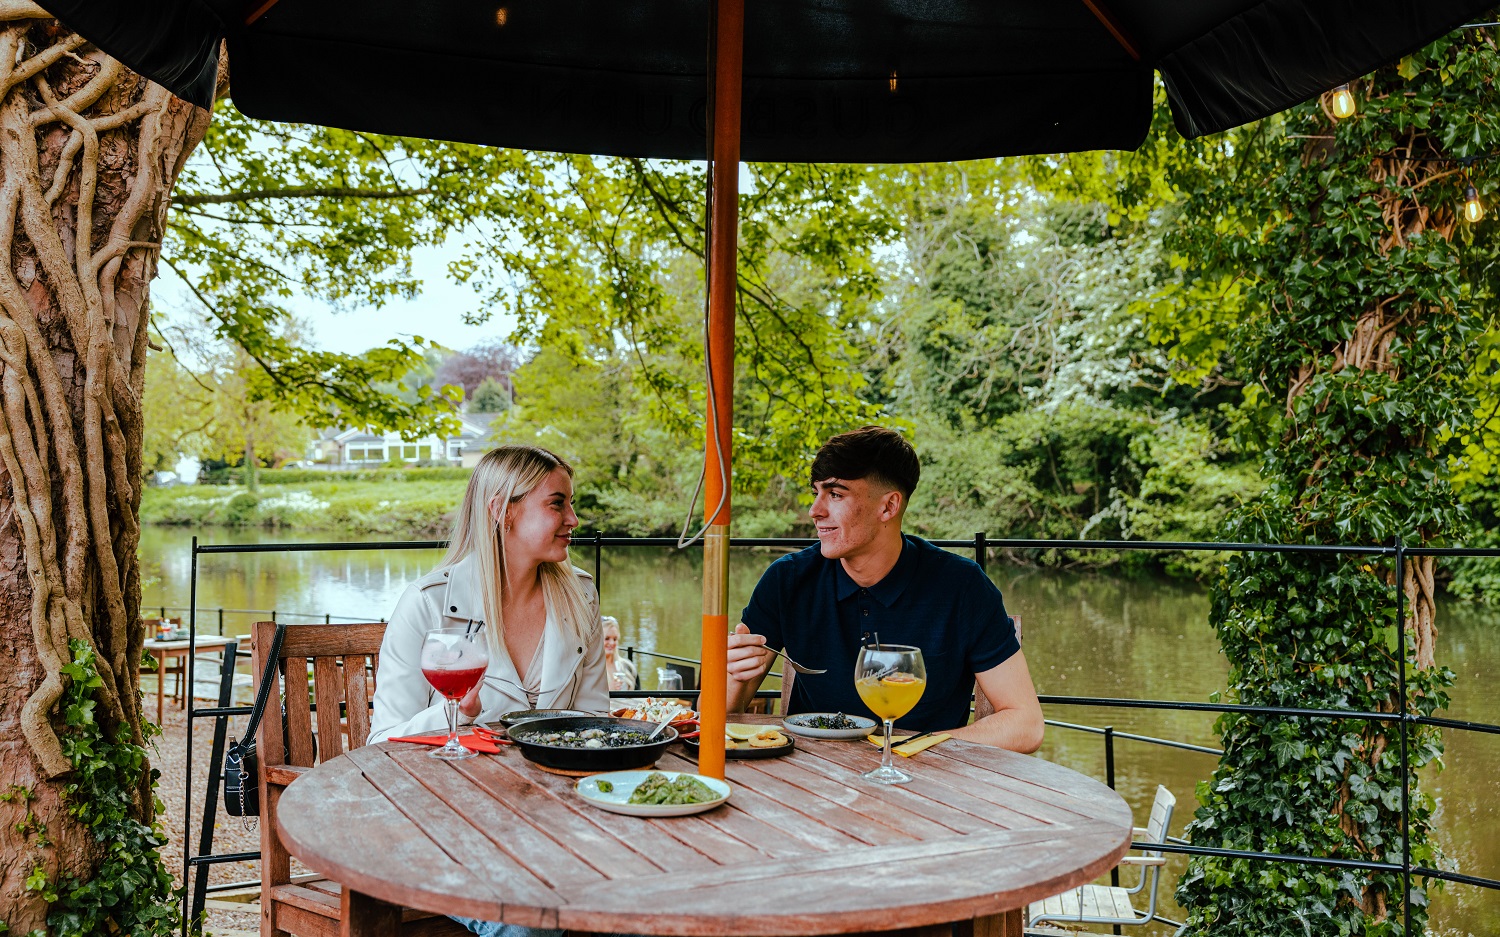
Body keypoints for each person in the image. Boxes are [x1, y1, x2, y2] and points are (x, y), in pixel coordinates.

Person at [726, 426, 1044, 752]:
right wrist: (735, 673)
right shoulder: (788, 580)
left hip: (926, 783)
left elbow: (1026, 724)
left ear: (889, 507)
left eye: (835, 494)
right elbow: (714, 716)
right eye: (816, 493)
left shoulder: (962, 586)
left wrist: (913, 747)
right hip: (812, 781)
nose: (815, 510)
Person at [370, 444, 609, 744]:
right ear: (502, 510)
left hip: (558, 783)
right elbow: (382, 742)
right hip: (453, 786)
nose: (573, 519)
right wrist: (457, 712)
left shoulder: (581, 595)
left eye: (570, 504)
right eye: (557, 504)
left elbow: (595, 719)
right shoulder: (427, 603)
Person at [602, 615, 637, 692]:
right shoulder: (591, 670)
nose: (611, 643)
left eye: (615, 639)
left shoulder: (628, 667)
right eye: (607, 638)